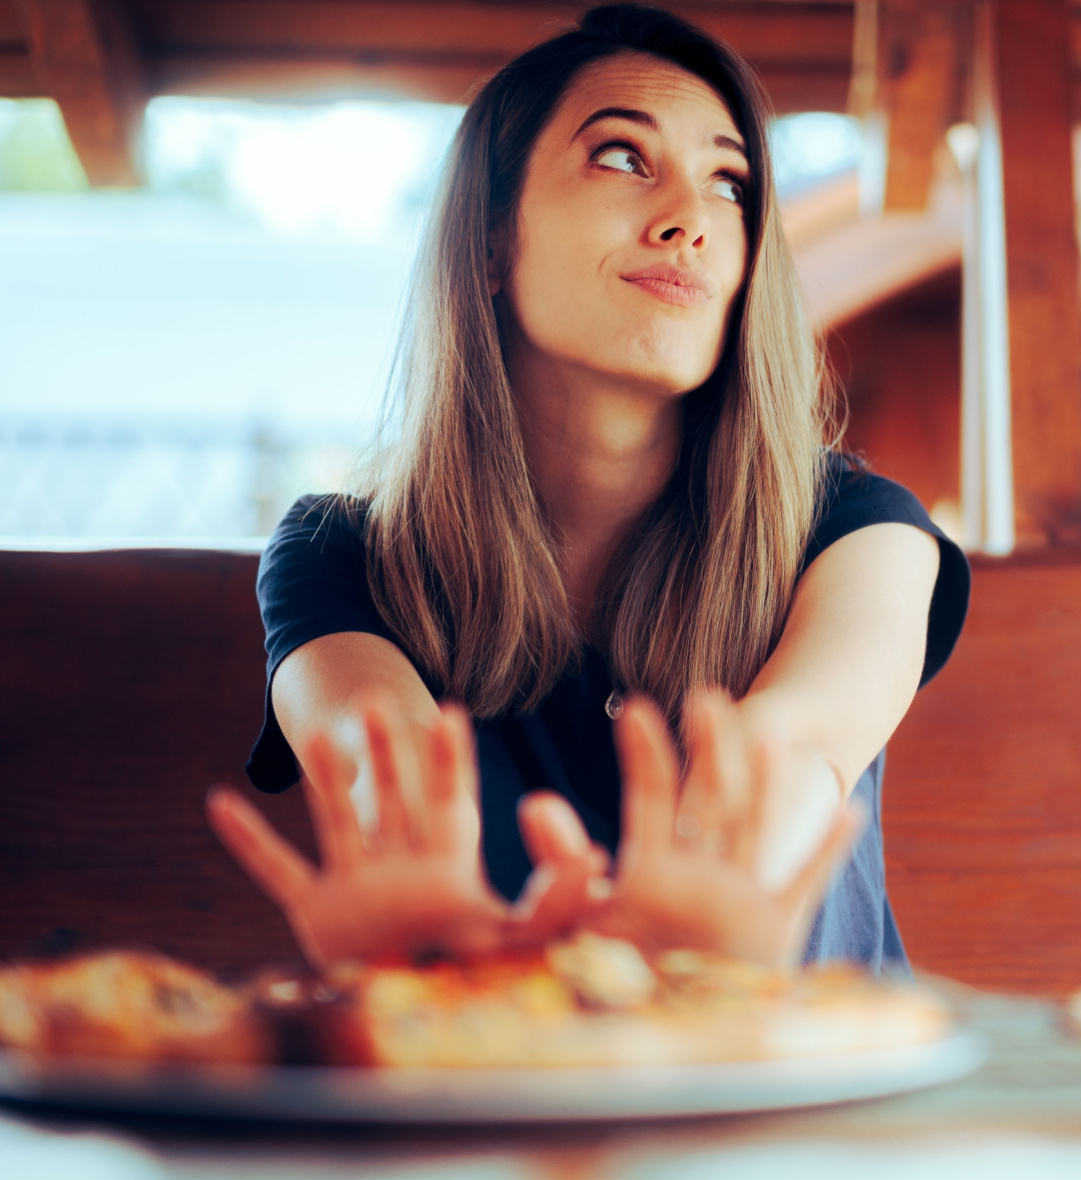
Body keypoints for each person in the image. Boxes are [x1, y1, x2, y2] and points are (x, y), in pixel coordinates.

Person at [207, 4, 969, 975]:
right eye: (621, 157)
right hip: (500, 1088)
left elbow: (794, 753)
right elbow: (378, 768)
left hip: (808, 1103)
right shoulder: (338, 555)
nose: (690, 220)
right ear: (487, 244)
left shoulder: (861, 531)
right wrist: (441, 925)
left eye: (729, 183)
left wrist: (698, 907)